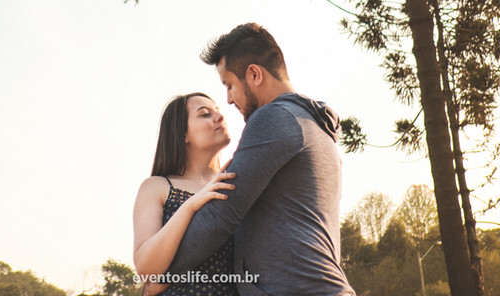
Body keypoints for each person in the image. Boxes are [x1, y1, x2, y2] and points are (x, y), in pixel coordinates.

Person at [167, 23, 354, 296]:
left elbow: (221, 214)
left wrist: (161, 270)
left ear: (254, 74)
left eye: (229, 85)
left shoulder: (274, 118)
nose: (228, 99)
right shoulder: (314, 127)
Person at [132, 92, 238, 295]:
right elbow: (146, 272)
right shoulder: (157, 187)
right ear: (183, 134)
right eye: (205, 114)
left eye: (218, 111)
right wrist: (190, 205)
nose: (220, 117)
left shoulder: (237, 183)